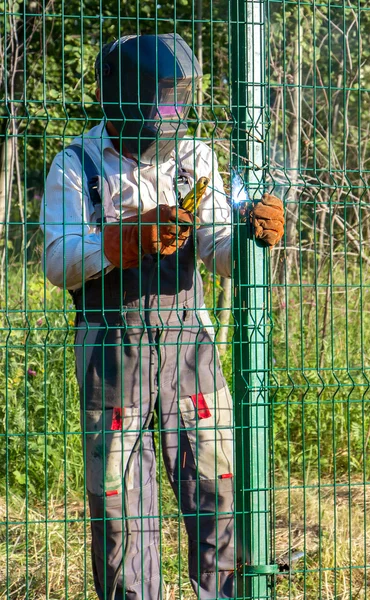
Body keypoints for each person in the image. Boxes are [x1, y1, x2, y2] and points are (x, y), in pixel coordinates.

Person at [40, 33, 284, 600]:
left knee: (219, 488)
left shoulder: (196, 158)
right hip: (111, 352)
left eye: (177, 100)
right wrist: (118, 243)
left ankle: (225, 594)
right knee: (121, 510)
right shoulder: (78, 164)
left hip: (189, 348)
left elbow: (219, 247)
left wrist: (251, 236)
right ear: (123, 97)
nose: (169, 114)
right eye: (160, 101)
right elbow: (57, 259)